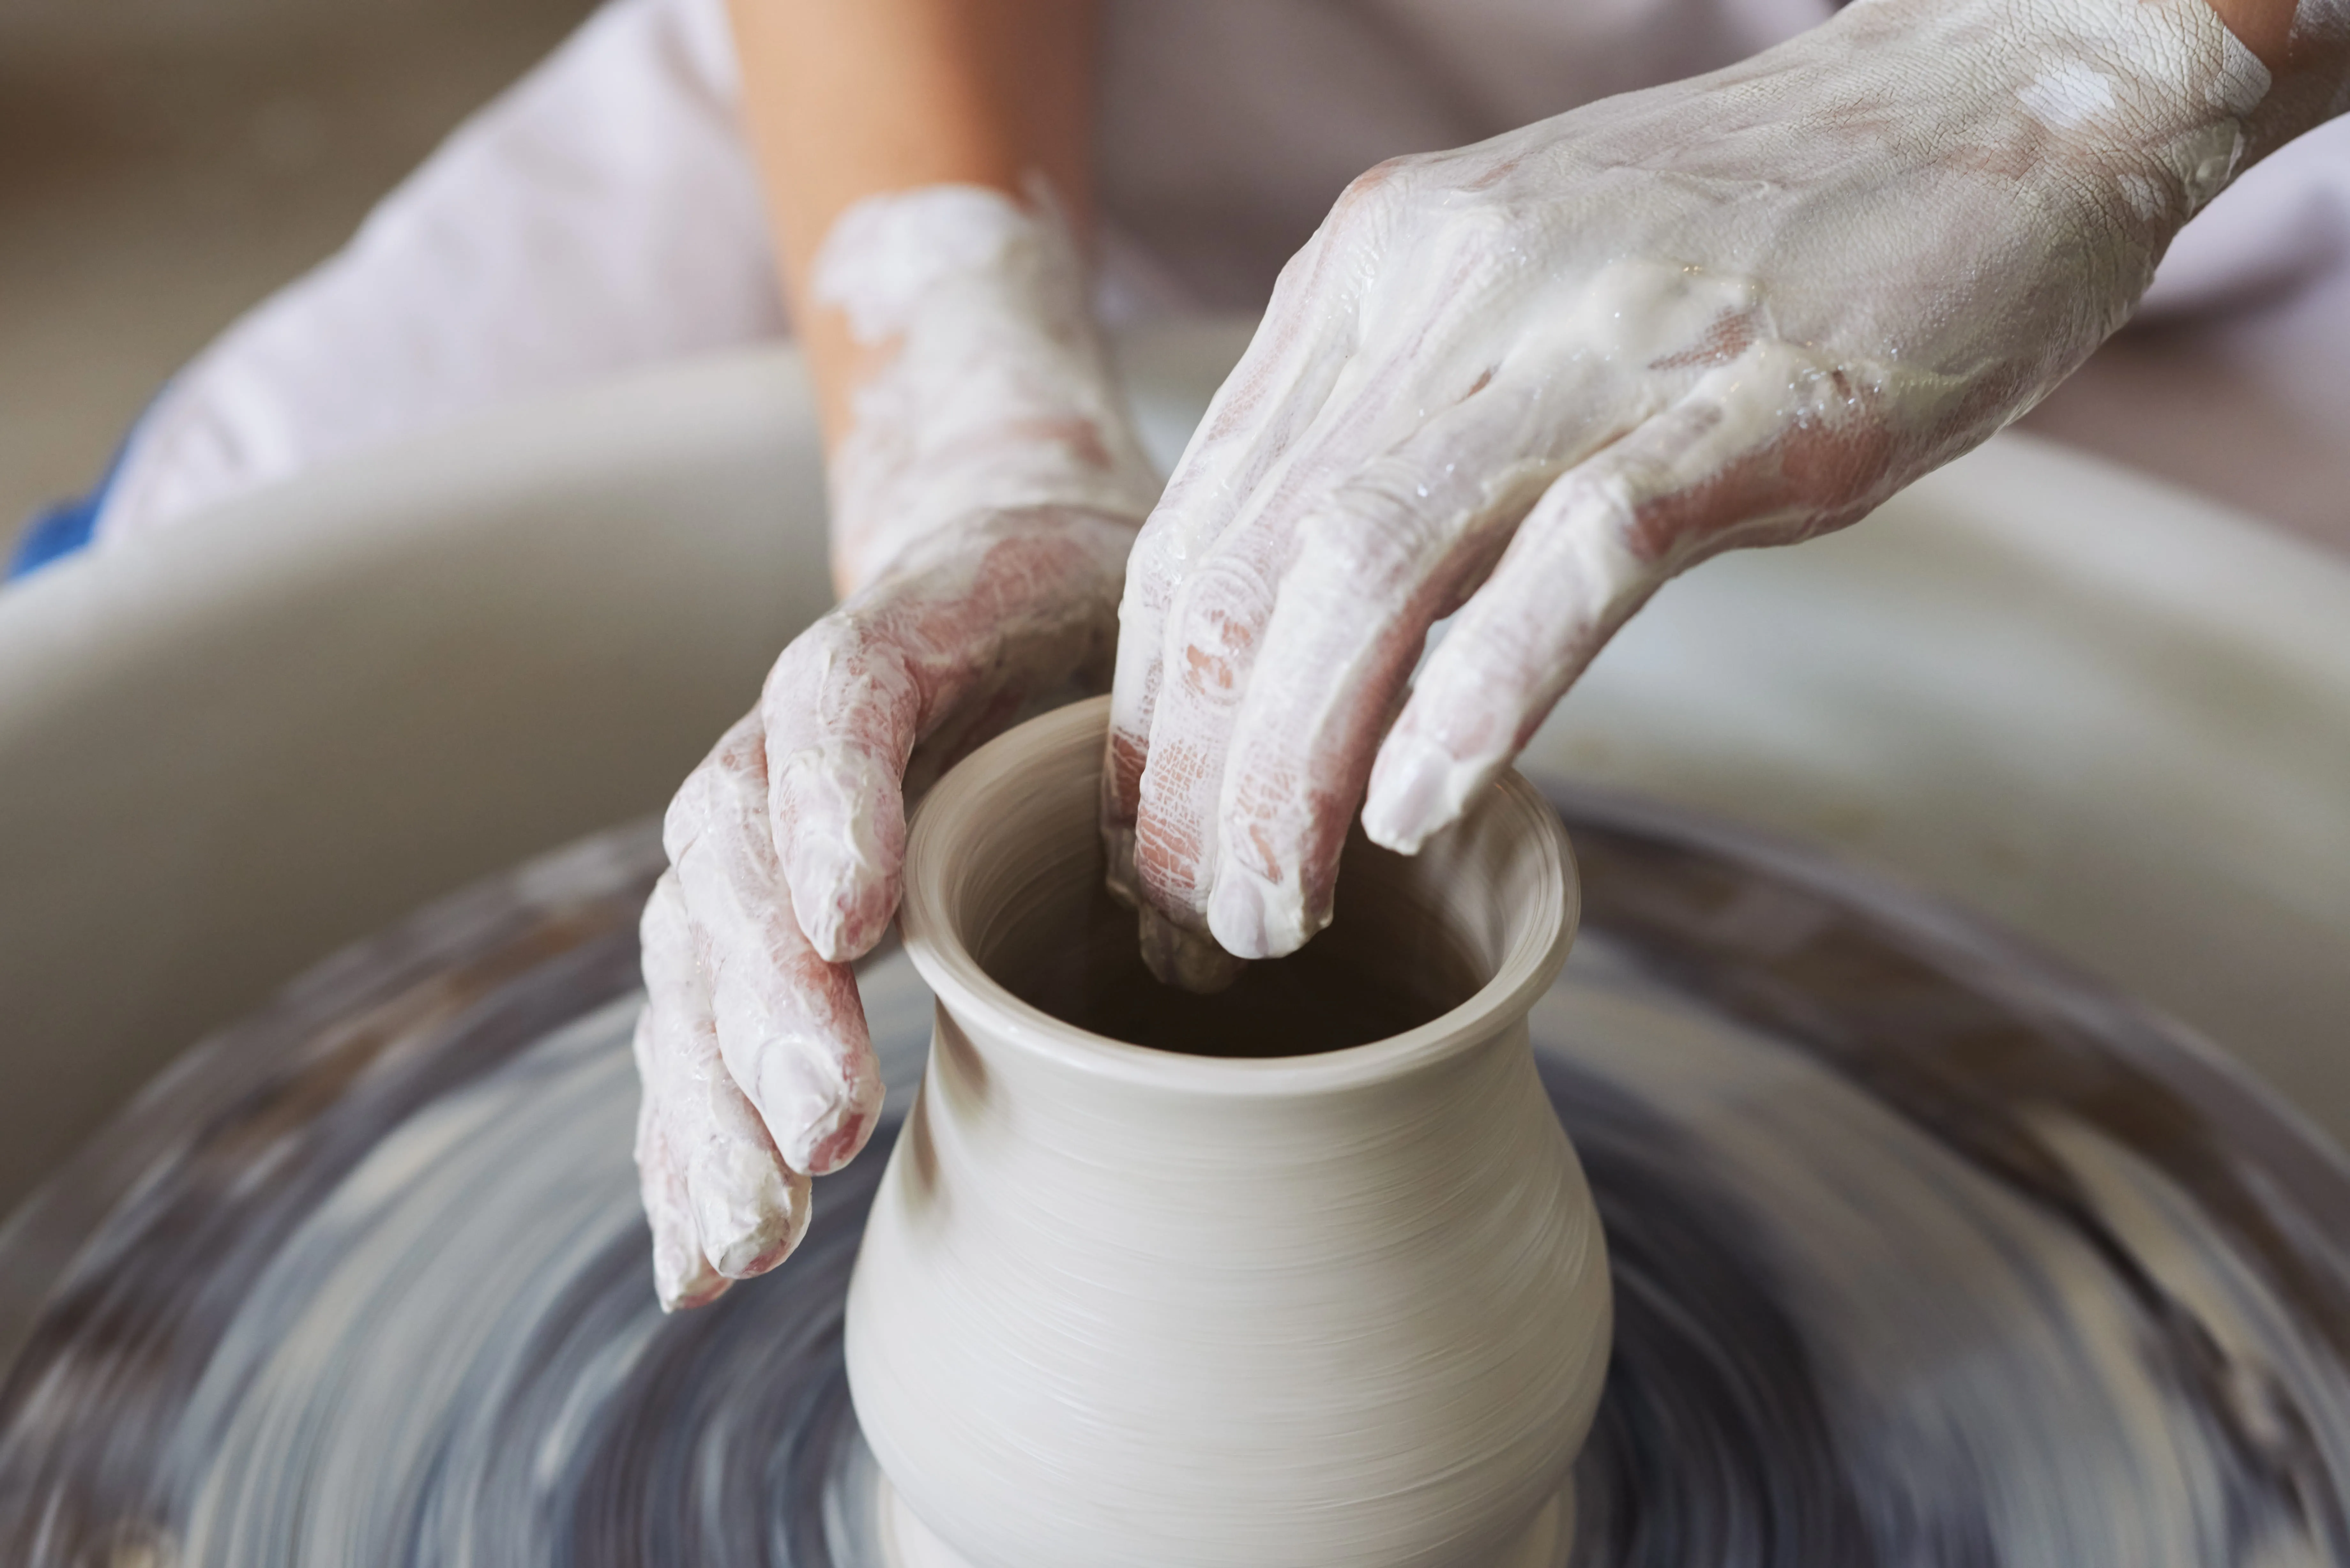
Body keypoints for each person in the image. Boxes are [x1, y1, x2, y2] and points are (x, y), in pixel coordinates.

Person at [14, 0, 2344, 1308]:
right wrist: (968, 433)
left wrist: (2104, 79)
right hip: (1185, 55)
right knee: (195, 578)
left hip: (2253, 191)